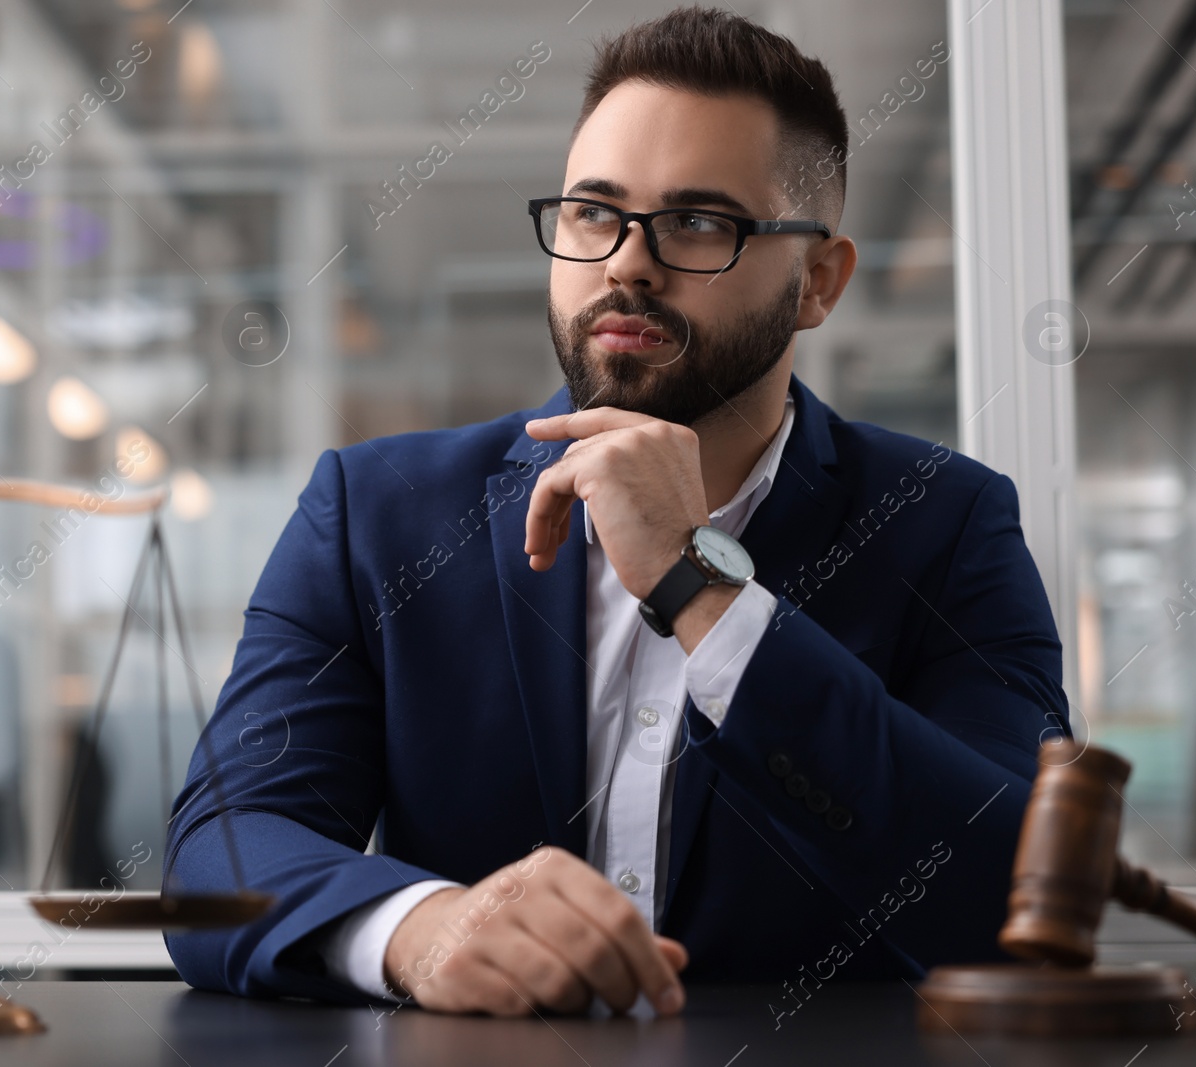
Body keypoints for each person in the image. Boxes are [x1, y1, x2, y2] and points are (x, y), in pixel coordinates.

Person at [163, 6, 1066, 1018]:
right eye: (594, 213)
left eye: (697, 222)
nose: (627, 262)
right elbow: (221, 853)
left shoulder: (943, 523)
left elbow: (1013, 894)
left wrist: (701, 584)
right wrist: (420, 929)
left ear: (816, 280)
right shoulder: (375, 514)